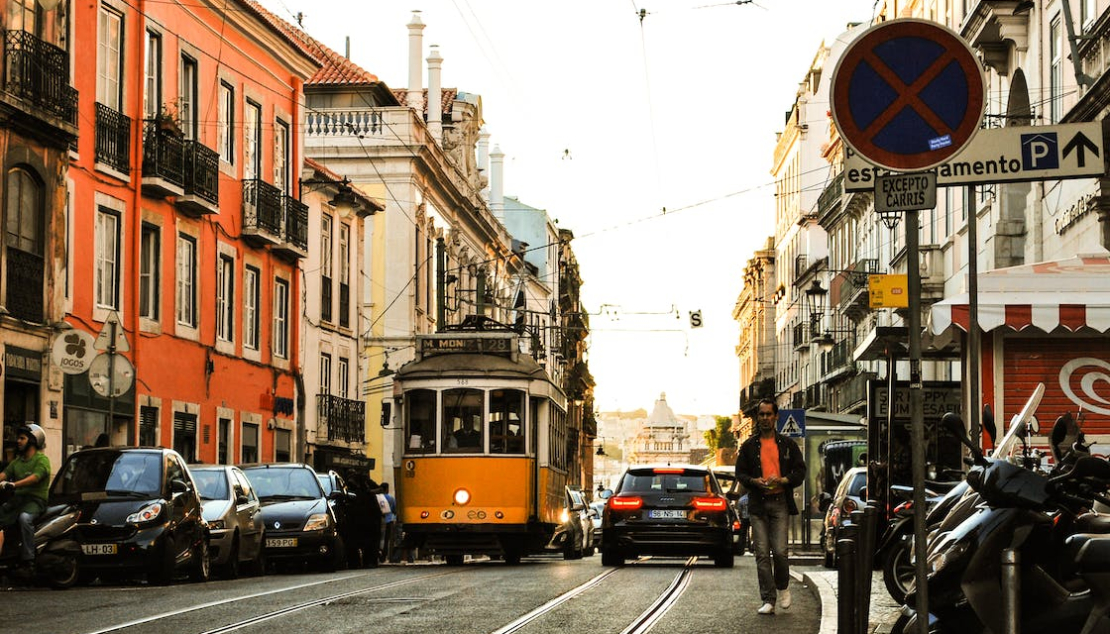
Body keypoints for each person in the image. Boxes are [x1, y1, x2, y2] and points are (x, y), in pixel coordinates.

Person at [732, 399, 805, 615]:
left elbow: (800, 471)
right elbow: (740, 473)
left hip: (780, 502)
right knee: (762, 553)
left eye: (768, 414)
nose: (765, 418)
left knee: (781, 552)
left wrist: (783, 480)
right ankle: (768, 599)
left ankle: (783, 586)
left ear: (776, 417)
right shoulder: (748, 446)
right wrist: (755, 481)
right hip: (758, 504)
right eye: (761, 415)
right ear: (758, 418)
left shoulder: (787, 445)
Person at [0, 423, 52, 578]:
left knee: (24, 519)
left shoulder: (42, 460)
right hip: (18, 501)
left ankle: (29, 560)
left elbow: (35, 477)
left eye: (22, 438)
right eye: (19, 438)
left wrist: (14, 484)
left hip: (35, 501)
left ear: (33, 440)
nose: (18, 441)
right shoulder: (18, 461)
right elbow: (4, 474)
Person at [379, 482, 397, 563]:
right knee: (387, 540)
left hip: (379, 520)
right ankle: (386, 556)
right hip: (389, 520)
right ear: (387, 489)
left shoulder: (378, 498)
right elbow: (394, 510)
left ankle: (380, 554)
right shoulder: (391, 498)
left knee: (380, 538)